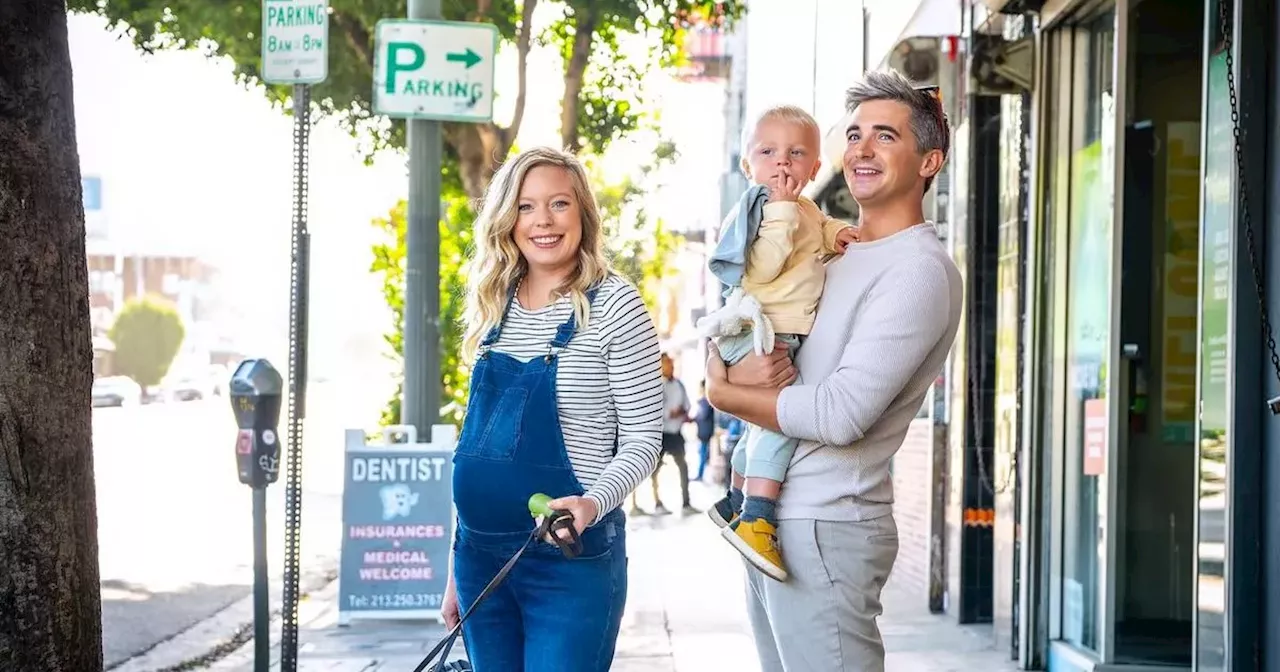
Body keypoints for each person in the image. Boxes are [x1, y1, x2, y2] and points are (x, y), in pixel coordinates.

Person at [704, 69, 964, 671]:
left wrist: (721, 391)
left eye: (885, 136)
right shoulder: (833, 253)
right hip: (769, 522)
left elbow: (839, 414)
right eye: (854, 134)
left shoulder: (917, 271)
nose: (862, 150)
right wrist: (725, 364)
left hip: (826, 524)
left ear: (929, 162)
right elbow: (751, 331)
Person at [441, 146, 664, 672]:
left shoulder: (614, 305)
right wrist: (455, 568)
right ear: (507, 219)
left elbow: (643, 441)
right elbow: (477, 444)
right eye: (525, 206)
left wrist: (591, 503)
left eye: (559, 204)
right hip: (479, 562)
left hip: (567, 561)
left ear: (582, 214)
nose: (542, 220)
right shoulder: (495, 303)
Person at [697, 104, 858, 581]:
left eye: (796, 153)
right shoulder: (760, 210)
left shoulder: (803, 208)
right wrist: (785, 212)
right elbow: (761, 268)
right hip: (757, 331)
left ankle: (735, 498)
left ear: (814, 169)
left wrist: (840, 233)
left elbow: (819, 229)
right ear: (749, 166)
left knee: (756, 428)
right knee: (778, 424)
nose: (782, 163)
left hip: (778, 331)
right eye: (768, 152)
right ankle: (758, 517)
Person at [651, 353, 694, 514]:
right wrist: (670, 413)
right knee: (655, 469)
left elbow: (687, 404)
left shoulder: (679, 384)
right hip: (661, 434)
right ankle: (658, 503)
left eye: (671, 362)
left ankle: (686, 502)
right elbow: (653, 410)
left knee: (683, 466)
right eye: (667, 363)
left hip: (676, 433)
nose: (671, 366)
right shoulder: (656, 385)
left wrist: (683, 413)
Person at [694, 380, 717, 481]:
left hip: (705, 431)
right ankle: (700, 474)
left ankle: (700, 475)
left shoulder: (706, 400)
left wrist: (694, 418)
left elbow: (702, 415)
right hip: (705, 431)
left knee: (702, 453)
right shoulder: (707, 400)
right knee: (702, 452)